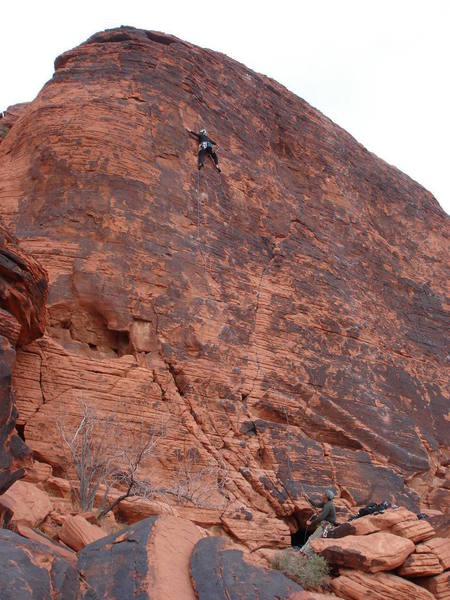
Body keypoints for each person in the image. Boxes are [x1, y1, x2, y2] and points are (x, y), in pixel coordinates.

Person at [300, 489, 336, 554]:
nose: (322, 494)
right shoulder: (326, 503)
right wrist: (307, 498)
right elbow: (316, 505)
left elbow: (320, 518)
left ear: (326, 496)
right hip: (325, 524)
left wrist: (311, 523)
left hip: (327, 525)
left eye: (324, 494)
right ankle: (303, 551)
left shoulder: (328, 505)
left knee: (313, 538)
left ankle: (305, 553)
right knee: (313, 538)